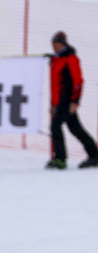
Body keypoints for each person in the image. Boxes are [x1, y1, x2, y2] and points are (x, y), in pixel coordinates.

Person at [47, 31, 98, 169]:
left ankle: (60, 159)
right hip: (61, 102)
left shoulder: (70, 58)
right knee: (76, 129)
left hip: (67, 101)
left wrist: (75, 102)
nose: (53, 47)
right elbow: (56, 84)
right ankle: (94, 155)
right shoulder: (57, 60)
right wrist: (53, 104)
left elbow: (78, 81)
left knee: (55, 126)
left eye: (55, 44)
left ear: (61, 43)